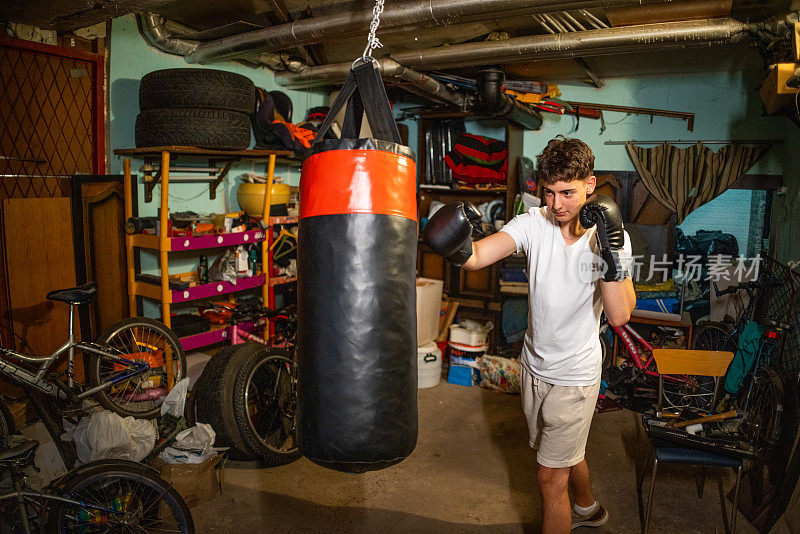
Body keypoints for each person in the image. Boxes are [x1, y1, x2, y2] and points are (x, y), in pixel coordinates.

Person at [422, 136, 636, 533]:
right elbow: (476, 258)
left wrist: (612, 250)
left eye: (568, 192)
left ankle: (576, 511)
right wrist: (451, 242)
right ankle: (588, 509)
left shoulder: (608, 235)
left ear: (590, 185)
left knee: (548, 478)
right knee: (566, 453)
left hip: (575, 376)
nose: (557, 205)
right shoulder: (533, 223)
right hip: (533, 369)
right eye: (550, 192)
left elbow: (620, 315)